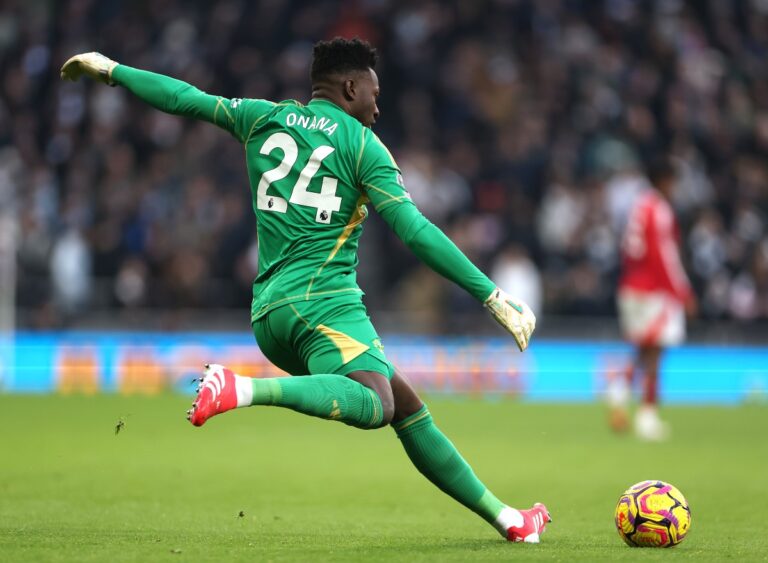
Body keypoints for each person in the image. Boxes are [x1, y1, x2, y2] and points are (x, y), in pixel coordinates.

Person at [61, 38, 549, 542]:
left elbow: (185, 97)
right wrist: (491, 294)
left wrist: (113, 68)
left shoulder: (261, 117)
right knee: (377, 404)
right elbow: (414, 230)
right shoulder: (362, 146)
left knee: (405, 404)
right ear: (350, 86)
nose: (378, 109)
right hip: (325, 305)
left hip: (269, 314)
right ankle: (240, 388)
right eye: (374, 95)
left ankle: (508, 520)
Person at [610, 157, 696, 441]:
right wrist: (682, 292)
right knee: (656, 351)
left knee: (643, 348)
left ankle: (620, 392)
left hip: (630, 285)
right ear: (664, 180)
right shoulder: (659, 208)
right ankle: (647, 416)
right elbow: (664, 255)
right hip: (652, 289)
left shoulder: (638, 204)